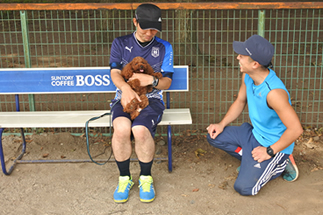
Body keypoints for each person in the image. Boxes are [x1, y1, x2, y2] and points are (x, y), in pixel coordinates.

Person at [206, 35, 303, 196]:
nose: (237, 57)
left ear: (255, 64)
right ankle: (249, 161)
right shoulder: (248, 76)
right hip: (253, 134)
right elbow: (240, 101)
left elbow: (296, 129)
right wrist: (221, 124)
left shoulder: (274, 93)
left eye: (242, 56)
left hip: (273, 145)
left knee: (245, 188)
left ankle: (281, 162)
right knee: (214, 136)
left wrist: (269, 151)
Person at [109, 3, 174, 203]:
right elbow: (114, 73)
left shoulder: (164, 47)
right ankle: (124, 178)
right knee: (121, 128)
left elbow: (167, 82)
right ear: (135, 22)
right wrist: (126, 89)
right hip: (124, 96)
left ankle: (146, 177)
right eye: (145, 27)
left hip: (152, 98)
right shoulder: (120, 43)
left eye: (154, 28)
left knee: (139, 130)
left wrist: (152, 81)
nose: (150, 32)